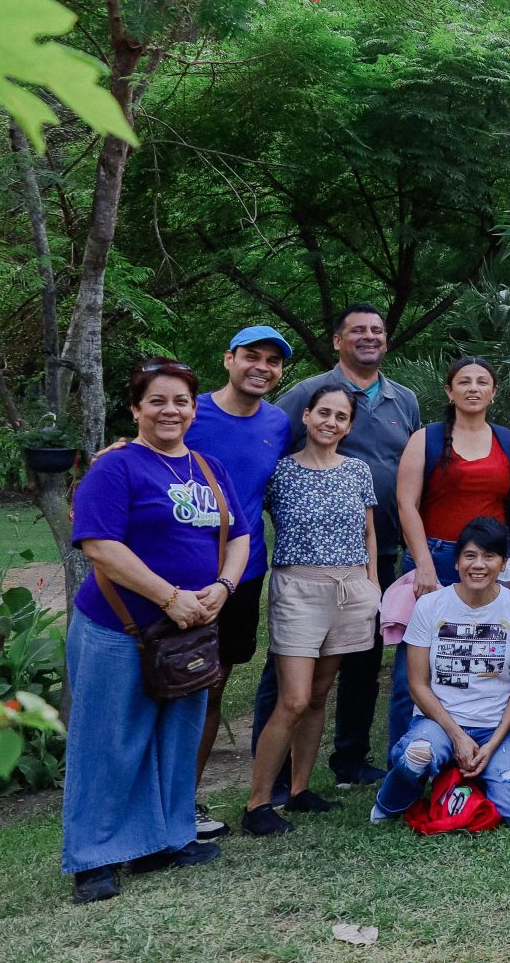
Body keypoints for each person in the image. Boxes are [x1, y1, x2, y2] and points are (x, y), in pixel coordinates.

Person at [62, 358, 248, 904]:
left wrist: (222, 587)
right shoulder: (115, 469)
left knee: (176, 736)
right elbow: (99, 545)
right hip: (120, 628)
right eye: (158, 401)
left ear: (194, 408)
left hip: (188, 632)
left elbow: (238, 534)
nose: (171, 410)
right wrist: (169, 596)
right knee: (108, 742)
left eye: (181, 401)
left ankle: (163, 842)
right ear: (136, 409)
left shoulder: (209, 467)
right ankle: (94, 859)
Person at [262, 303, 421, 790]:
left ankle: (349, 760)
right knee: (291, 666)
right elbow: (267, 449)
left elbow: (411, 465)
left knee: (364, 660)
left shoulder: (404, 399)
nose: (369, 337)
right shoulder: (308, 393)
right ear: (337, 340)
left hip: (380, 554)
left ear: (386, 340)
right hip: (310, 565)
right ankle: (272, 766)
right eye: (357, 330)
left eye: (377, 330)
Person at [240, 385, 382, 837]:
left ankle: (300, 790)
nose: (331, 422)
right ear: (306, 415)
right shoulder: (280, 473)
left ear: (349, 426)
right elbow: (241, 507)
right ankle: (258, 801)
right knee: (294, 698)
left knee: (321, 695)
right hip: (298, 588)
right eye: (324, 412)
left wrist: (372, 584)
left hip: (350, 588)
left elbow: (368, 533)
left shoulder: (358, 471)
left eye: (341, 417)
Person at [389, 356, 510, 748]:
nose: (473, 388)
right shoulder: (424, 439)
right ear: (450, 390)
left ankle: (484, 742)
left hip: (492, 563)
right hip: (436, 558)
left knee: (486, 656)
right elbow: (406, 504)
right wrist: (423, 564)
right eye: (464, 381)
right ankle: (407, 756)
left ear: (494, 392)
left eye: (482, 381)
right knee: (415, 663)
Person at [179, 324, 290, 841]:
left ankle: (185, 802)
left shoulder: (279, 423)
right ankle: (149, 802)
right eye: (252, 356)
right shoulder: (189, 411)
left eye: (272, 360)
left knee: (213, 684)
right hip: (175, 574)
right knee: (162, 684)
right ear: (229, 359)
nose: (261, 366)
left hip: (242, 575)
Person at [371, 517, 510, 826]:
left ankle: (461, 780)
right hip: (439, 723)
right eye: (470, 556)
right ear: (457, 561)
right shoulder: (430, 606)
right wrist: (458, 736)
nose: (478, 565)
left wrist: (492, 744)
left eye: (489, 556)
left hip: (493, 726)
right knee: (418, 756)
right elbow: (417, 685)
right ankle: (389, 803)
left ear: (503, 564)